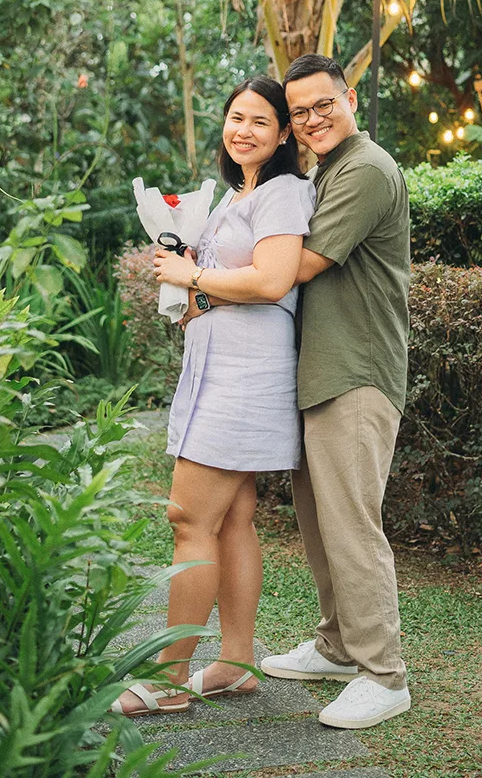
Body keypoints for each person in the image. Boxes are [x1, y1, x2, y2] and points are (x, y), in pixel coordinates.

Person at [108, 75, 315, 717]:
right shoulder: (237, 196)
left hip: (243, 374)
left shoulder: (281, 193)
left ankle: (171, 679)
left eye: (259, 120)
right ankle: (235, 663)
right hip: (220, 365)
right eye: (234, 117)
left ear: (284, 133)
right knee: (229, 518)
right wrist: (192, 286)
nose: (241, 129)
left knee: (188, 518)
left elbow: (273, 279)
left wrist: (193, 274)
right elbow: (225, 281)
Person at [261, 53, 411, 731]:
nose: (313, 119)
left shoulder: (368, 169)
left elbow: (304, 264)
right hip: (322, 372)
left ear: (349, 98)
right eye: (300, 112)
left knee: (351, 524)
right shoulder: (324, 171)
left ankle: (384, 674)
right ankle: (337, 645)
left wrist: (210, 264)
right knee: (320, 521)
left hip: (357, 373)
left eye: (324, 104)